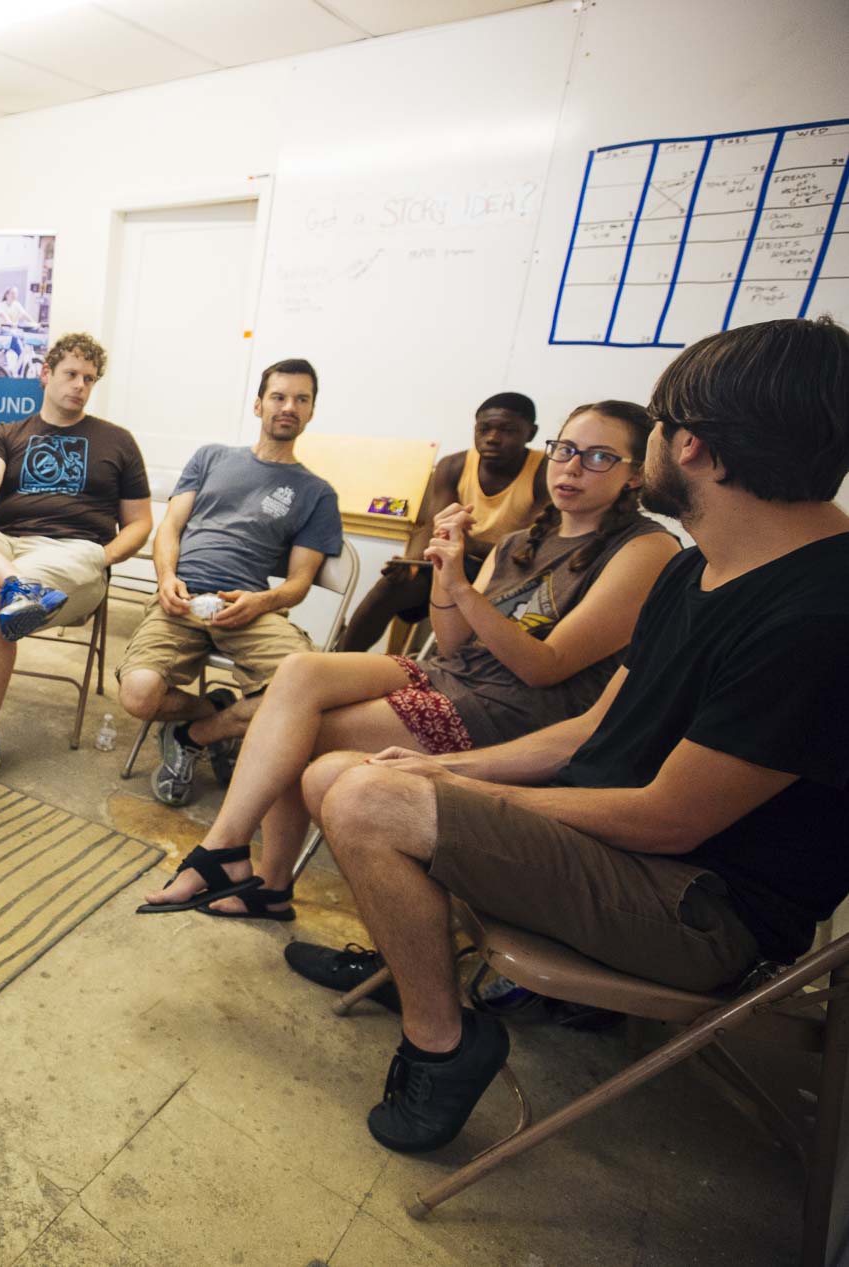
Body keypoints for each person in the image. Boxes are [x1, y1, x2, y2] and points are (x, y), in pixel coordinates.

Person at [286, 317, 849, 1155]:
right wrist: (446, 767)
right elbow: (592, 728)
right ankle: (409, 958)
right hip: (628, 843)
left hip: (699, 907)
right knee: (347, 771)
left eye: (652, 428)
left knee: (369, 801)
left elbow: (669, 820)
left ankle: (441, 1041)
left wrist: (453, 788)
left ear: (691, 448)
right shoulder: (699, 565)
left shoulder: (816, 614)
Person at [138, 400, 678, 921]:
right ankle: (238, 859)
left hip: (516, 709)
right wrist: (446, 574)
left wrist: (464, 589)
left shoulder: (646, 549)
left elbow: (545, 667)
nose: (573, 468)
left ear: (635, 475)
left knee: (302, 732)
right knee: (298, 674)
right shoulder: (521, 540)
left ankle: (251, 874)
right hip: (461, 676)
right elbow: (451, 645)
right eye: (565, 450)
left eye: (600, 457)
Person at [0, 332, 152, 794]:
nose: (79, 386)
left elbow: (140, 523)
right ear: (46, 374)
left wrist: (102, 557)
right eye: (70, 374)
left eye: (89, 379)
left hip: (74, 556)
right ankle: (18, 586)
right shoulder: (5, 434)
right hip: (2, 549)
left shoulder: (117, 442)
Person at [116, 359, 344, 807]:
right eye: (279, 397)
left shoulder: (317, 493)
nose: (288, 407)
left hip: (250, 608)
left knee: (308, 696)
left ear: (312, 411)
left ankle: (194, 735)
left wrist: (262, 601)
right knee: (138, 694)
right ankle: (217, 711)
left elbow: (299, 582)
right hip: (181, 599)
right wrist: (166, 579)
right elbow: (170, 529)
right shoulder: (211, 457)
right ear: (259, 404)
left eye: (301, 399)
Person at [340, 394, 548, 652]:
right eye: (484, 429)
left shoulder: (545, 472)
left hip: (508, 574)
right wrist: (412, 562)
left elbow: (527, 547)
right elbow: (433, 528)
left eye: (507, 430)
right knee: (392, 585)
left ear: (531, 432)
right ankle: (337, 660)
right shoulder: (454, 465)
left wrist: (466, 545)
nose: (492, 438)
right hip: (456, 562)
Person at [0, 287, 33, 373]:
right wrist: (10, 323)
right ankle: (2, 370)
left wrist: (34, 323)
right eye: (12, 293)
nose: (14, 295)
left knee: (21, 353)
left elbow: (25, 315)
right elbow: (3, 315)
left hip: (13, 334)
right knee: (4, 357)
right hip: (2, 334)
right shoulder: (0, 305)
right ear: (7, 295)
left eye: (16, 294)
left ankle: (18, 372)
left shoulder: (17, 305)